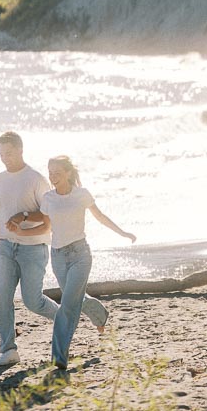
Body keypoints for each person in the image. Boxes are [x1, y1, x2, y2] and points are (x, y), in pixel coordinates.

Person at [37, 154, 136, 370]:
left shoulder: (82, 195)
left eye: (57, 173)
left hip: (80, 255)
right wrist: (20, 232)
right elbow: (45, 227)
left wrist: (122, 232)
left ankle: (59, 356)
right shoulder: (48, 198)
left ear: (69, 173)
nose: (53, 176)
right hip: (58, 256)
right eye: (50, 172)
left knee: (68, 305)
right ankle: (100, 314)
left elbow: (100, 217)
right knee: (75, 298)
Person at [0, 130, 60, 368]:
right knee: (1, 299)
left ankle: (64, 319)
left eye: (9, 153)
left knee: (32, 301)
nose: (5, 157)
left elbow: (49, 212)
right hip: (5, 247)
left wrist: (23, 215)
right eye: (1, 153)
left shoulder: (35, 179)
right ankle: (8, 350)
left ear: (21, 150)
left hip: (33, 248)